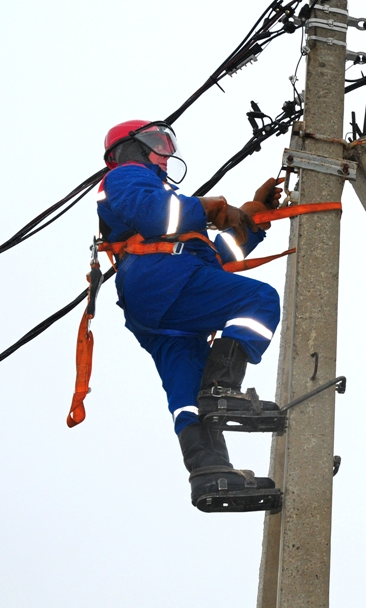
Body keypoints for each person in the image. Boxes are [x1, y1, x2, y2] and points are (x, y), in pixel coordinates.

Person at [97, 119, 283, 510]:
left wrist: (251, 214)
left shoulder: (176, 224)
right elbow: (155, 214)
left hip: (159, 307)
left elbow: (216, 262)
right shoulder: (127, 176)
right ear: (127, 149)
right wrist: (211, 207)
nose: (165, 153)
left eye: (168, 144)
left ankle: (210, 473)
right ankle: (223, 389)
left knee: (187, 397)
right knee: (258, 302)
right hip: (162, 281)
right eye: (156, 143)